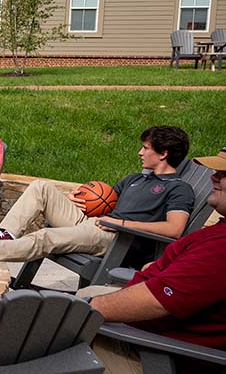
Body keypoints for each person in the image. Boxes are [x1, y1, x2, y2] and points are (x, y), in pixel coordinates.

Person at [87, 146, 226, 373]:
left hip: (151, 354)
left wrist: (82, 309)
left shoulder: (220, 249)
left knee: (47, 338)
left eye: (224, 175)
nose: (214, 177)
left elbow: (156, 299)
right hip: (146, 333)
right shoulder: (218, 235)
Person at [0, 126, 195, 262]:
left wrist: (121, 225)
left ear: (163, 153)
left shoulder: (179, 188)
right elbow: (104, 202)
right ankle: (5, 234)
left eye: (145, 148)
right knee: (40, 187)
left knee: (45, 237)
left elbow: (174, 229)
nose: (140, 153)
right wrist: (74, 200)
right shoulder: (134, 179)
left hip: (117, 238)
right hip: (95, 223)